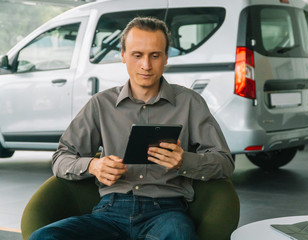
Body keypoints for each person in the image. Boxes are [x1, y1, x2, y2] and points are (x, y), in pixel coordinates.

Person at [29, 17, 234, 240]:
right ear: (123, 55)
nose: (146, 65)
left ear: (166, 57)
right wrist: (94, 165)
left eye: (155, 55)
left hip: (167, 212)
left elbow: (224, 162)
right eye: (137, 55)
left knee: (180, 235)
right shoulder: (101, 104)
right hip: (110, 212)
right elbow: (60, 158)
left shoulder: (190, 103)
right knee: (43, 237)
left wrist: (184, 161)